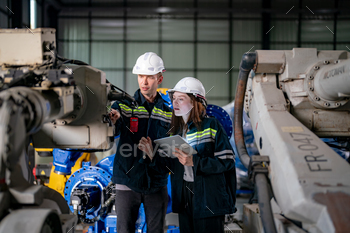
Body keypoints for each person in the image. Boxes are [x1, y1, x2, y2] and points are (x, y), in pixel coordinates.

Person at [139, 77, 237, 233]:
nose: (175, 103)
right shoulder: (177, 132)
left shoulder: (212, 125)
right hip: (185, 198)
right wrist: (152, 156)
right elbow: (171, 166)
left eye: (181, 99)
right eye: (174, 99)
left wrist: (194, 161)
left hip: (208, 199)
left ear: (195, 101)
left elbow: (227, 161)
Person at [109, 52, 172, 233]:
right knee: (124, 230)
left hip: (157, 182)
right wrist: (113, 122)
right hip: (127, 181)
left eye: (150, 77)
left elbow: (171, 153)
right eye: (141, 76)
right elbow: (113, 133)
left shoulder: (169, 113)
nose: (144, 82)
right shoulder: (123, 106)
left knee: (156, 230)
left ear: (159, 78)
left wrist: (154, 154)